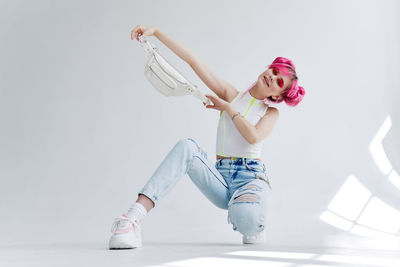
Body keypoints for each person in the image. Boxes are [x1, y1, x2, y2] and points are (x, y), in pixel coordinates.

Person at [108, 25, 306, 249]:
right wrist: (157, 32)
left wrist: (227, 109)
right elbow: (192, 60)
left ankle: (253, 216)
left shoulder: (270, 113)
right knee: (186, 147)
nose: (272, 77)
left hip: (250, 178)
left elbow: (253, 136)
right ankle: (132, 218)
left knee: (247, 219)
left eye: (279, 81)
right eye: (273, 70)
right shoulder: (231, 94)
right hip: (220, 177)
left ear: (278, 95)